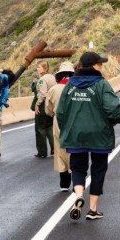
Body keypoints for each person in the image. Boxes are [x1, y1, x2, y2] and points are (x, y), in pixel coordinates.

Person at [56, 51, 120, 221]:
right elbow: (113, 109)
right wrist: (115, 120)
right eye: (100, 64)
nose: (101, 66)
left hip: (76, 135)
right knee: (98, 169)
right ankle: (93, 209)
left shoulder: (69, 85)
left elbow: (60, 112)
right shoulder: (102, 85)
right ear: (94, 66)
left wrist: (67, 130)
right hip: (99, 136)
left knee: (78, 168)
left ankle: (79, 195)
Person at [45, 61, 75, 192]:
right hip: (75, 120)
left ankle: (64, 182)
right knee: (74, 149)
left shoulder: (54, 89)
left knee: (60, 149)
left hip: (58, 121)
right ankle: (77, 180)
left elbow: (48, 109)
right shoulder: (77, 88)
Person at [34, 60, 56, 158]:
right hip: (52, 105)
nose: (37, 69)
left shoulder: (42, 80)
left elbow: (43, 93)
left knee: (40, 129)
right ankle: (54, 148)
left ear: (44, 68)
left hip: (43, 105)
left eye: (39, 67)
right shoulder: (53, 77)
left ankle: (42, 152)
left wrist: (37, 104)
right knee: (49, 127)